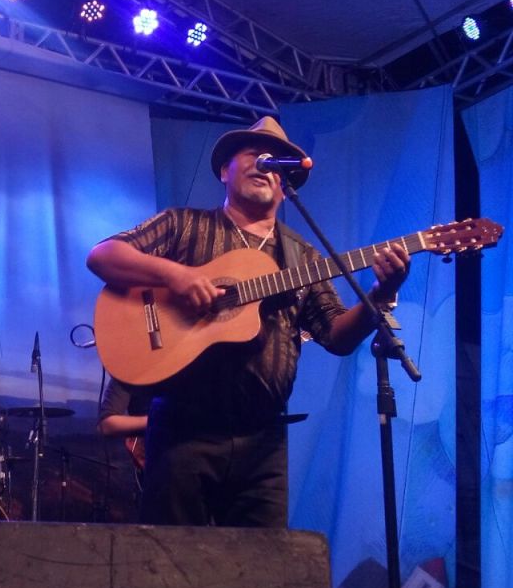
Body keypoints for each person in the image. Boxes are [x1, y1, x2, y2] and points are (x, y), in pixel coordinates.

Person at [86, 117, 409, 528]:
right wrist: (175, 275)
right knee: (170, 559)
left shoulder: (302, 257)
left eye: (275, 162)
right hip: (183, 431)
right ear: (225, 170)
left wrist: (380, 295)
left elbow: (336, 335)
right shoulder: (184, 225)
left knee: (261, 563)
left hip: (263, 441)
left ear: (285, 186)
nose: (264, 165)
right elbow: (103, 256)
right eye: (253, 155)